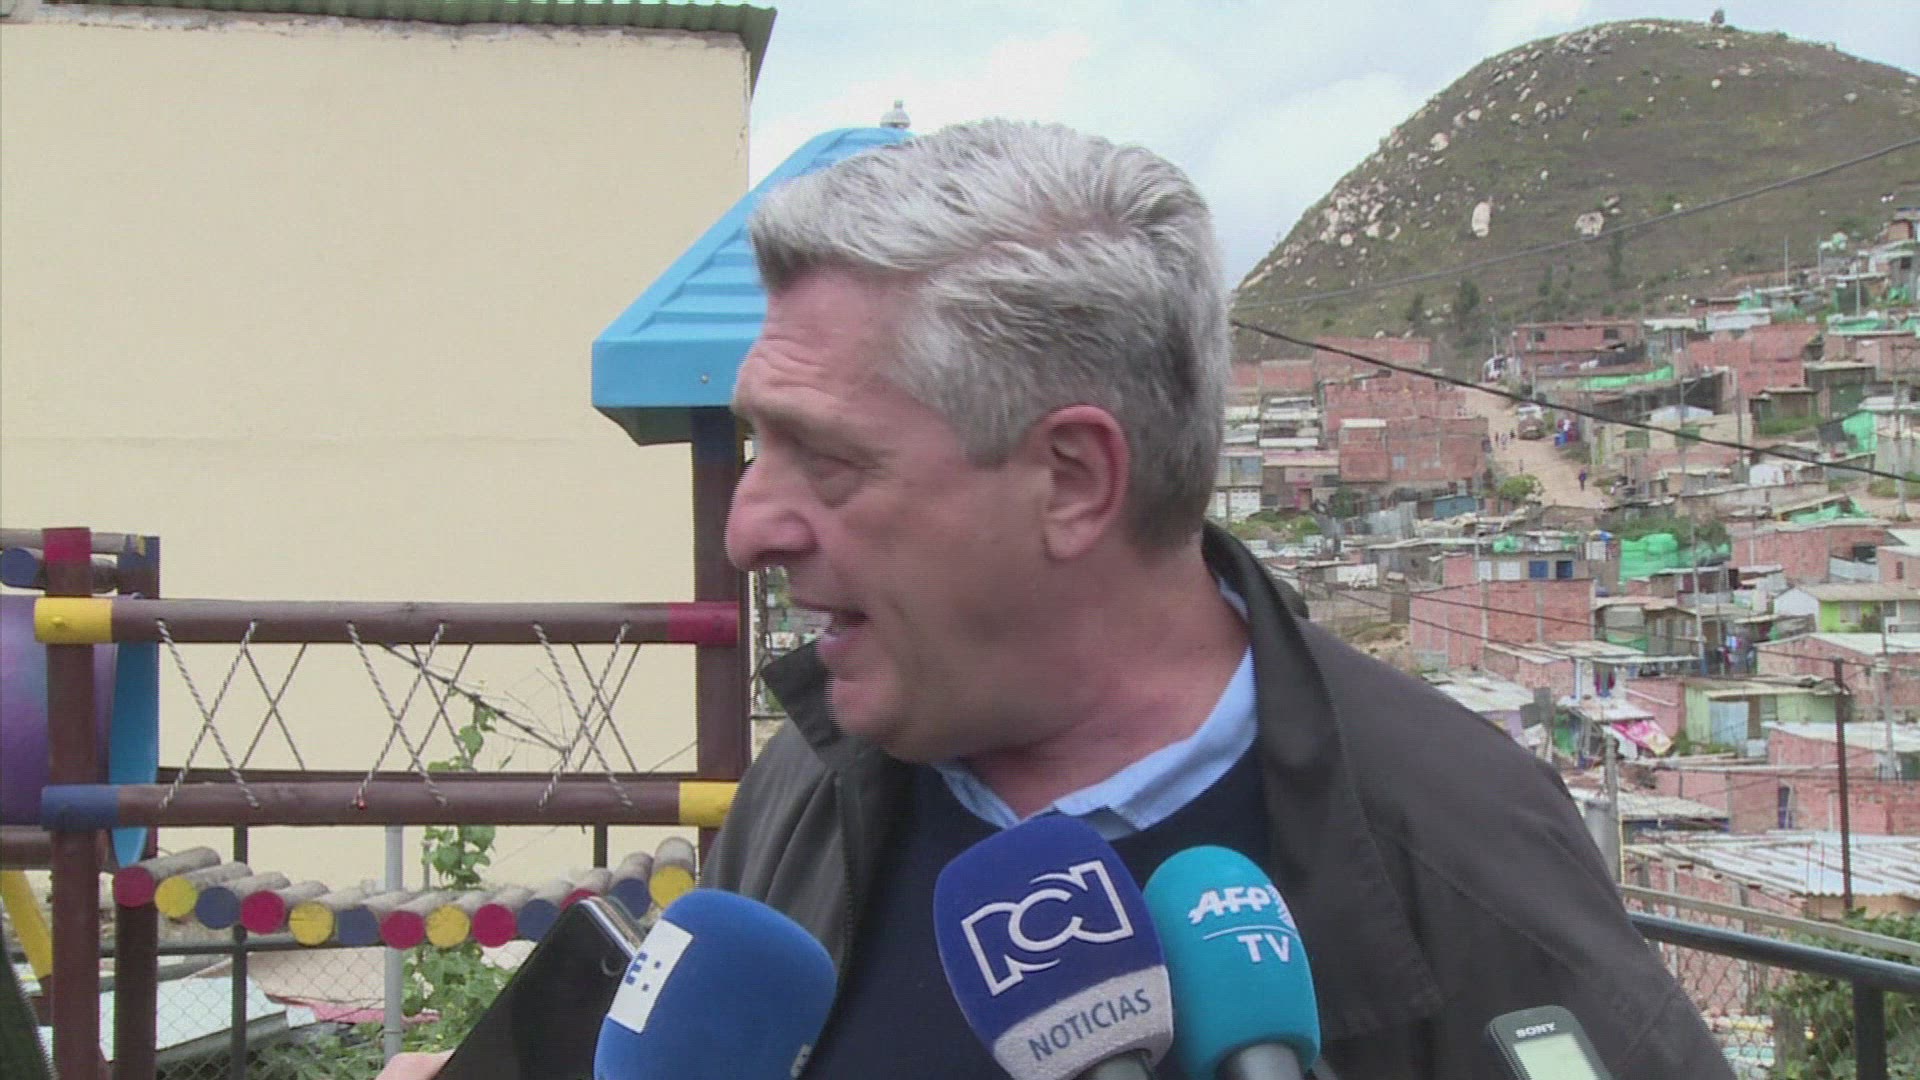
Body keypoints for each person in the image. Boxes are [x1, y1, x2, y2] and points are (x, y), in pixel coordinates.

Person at [376, 120, 1730, 1080]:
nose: (749, 527)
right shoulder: (815, 782)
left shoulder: (1460, 855)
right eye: (755, 444)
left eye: (827, 458)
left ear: (1072, 480)